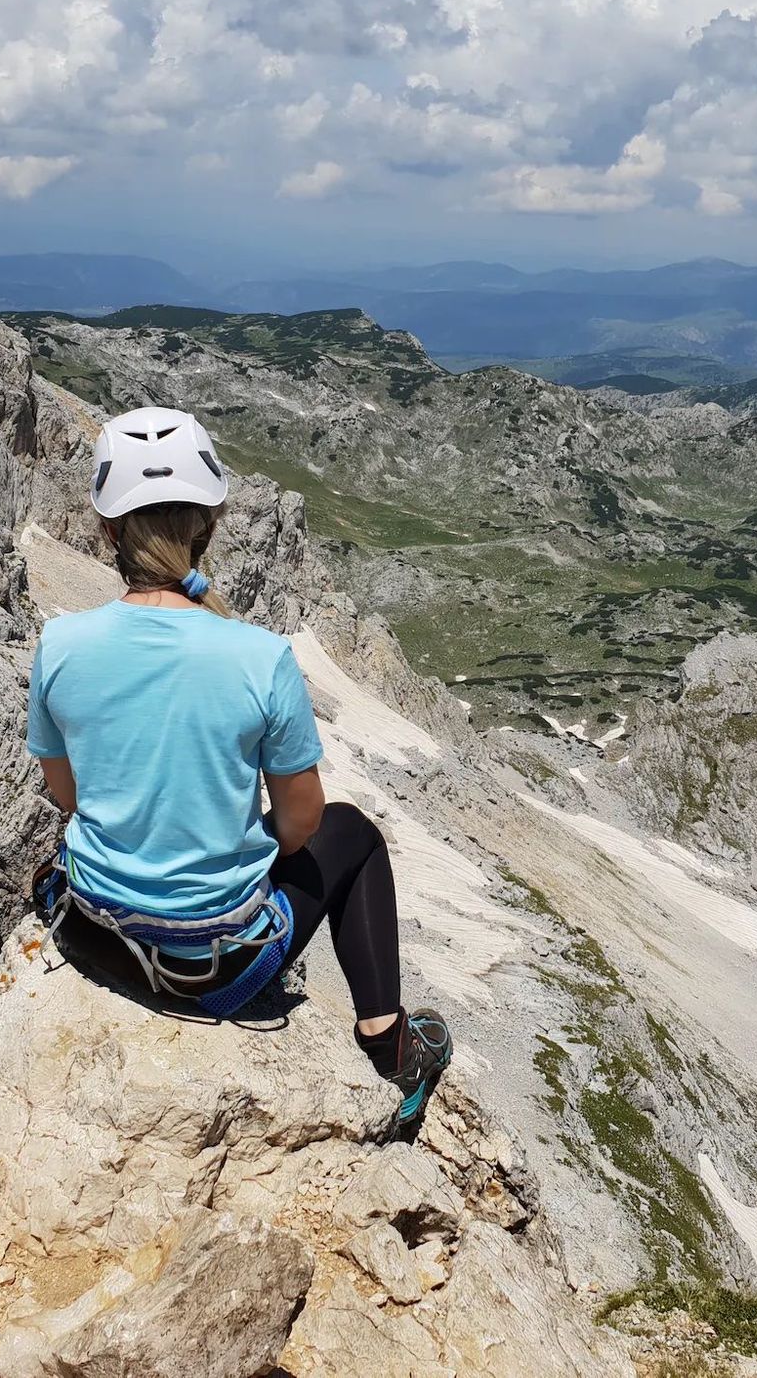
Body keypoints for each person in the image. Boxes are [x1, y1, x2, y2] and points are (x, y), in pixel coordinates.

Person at [25, 406, 452, 1126]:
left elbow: (65, 795)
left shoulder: (60, 643)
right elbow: (299, 827)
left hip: (96, 936)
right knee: (353, 834)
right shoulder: (259, 658)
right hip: (211, 974)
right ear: (207, 525)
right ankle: (389, 1046)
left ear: (107, 530)